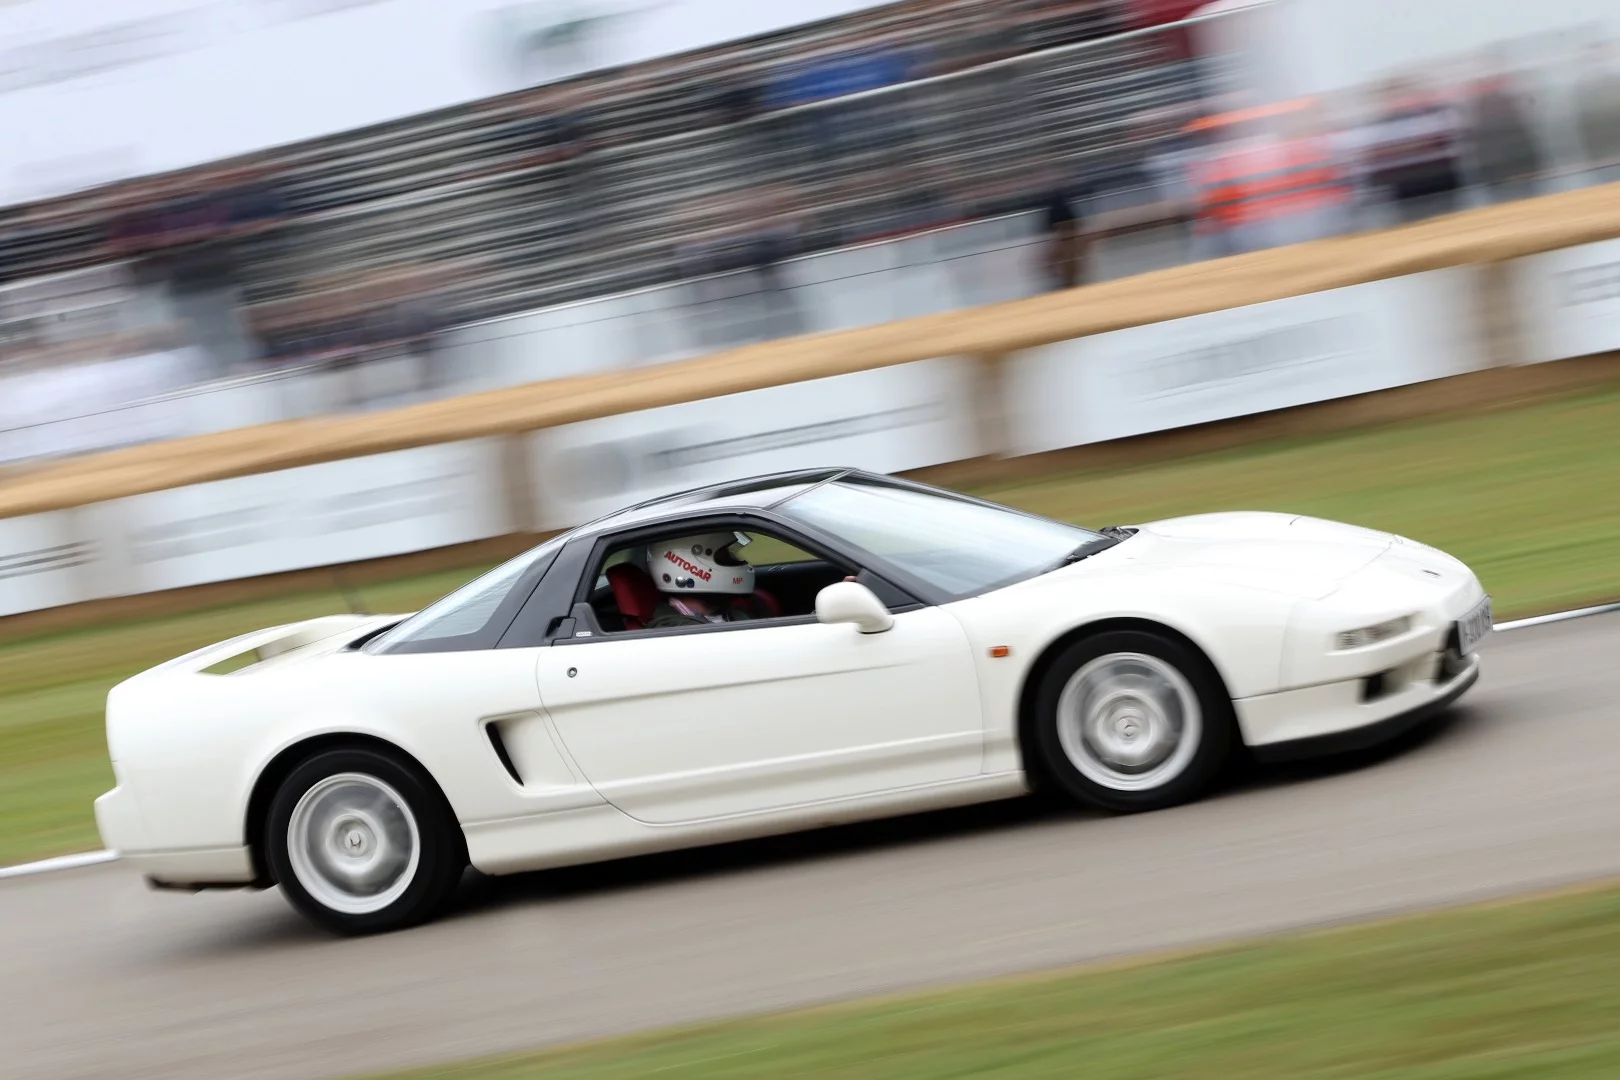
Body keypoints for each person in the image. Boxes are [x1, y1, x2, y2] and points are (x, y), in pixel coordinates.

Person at [643, 533, 774, 628]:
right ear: (688, 565)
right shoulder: (676, 633)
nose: (733, 562)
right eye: (724, 558)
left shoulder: (734, 613)